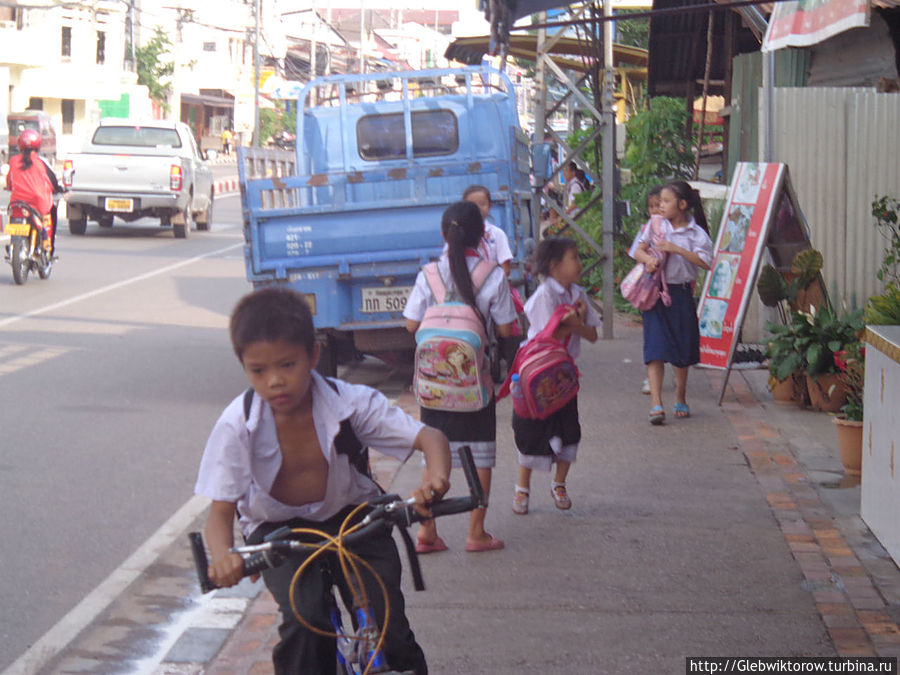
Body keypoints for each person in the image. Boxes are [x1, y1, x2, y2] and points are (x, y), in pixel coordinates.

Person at [195, 287, 452, 674]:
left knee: (389, 628)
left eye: (287, 364)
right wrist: (224, 557)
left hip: (355, 518)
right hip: (279, 535)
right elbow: (220, 513)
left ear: (314, 355)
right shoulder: (237, 426)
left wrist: (436, 477)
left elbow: (430, 439)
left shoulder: (351, 403)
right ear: (243, 365)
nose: (275, 381)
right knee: (305, 623)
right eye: (259, 371)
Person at [404, 200, 517, 553]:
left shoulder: (429, 275)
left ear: (443, 234)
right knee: (480, 456)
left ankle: (426, 532)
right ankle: (476, 533)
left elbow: (411, 325)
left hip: (435, 387)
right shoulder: (493, 275)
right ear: (483, 236)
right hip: (474, 385)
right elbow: (506, 328)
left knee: (433, 457)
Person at [511, 237, 599, 515]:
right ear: (554, 265)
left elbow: (593, 335)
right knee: (531, 431)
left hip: (565, 377)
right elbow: (546, 339)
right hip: (538, 375)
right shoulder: (542, 297)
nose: (579, 264)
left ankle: (559, 483)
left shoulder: (578, 295)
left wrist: (577, 323)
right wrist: (573, 322)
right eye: (573, 258)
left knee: (569, 430)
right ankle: (522, 488)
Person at [632, 180, 713, 425]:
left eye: (666, 201)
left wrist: (676, 249)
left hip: (680, 294)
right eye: (660, 202)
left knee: (681, 349)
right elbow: (638, 250)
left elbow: (706, 262)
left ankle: (680, 395)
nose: (661, 206)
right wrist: (647, 259)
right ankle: (656, 403)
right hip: (655, 293)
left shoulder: (696, 233)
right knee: (655, 347)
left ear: (682, 204)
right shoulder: (656, 225)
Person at [628, 185, 664, 395]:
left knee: (671, 335)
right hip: (649, 289)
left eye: (659, 205)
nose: (655, 211)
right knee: (652, 334)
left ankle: (675, 373)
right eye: (651, 207)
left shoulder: (673, 228)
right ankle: (651, 378)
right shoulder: (646, 229)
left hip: (670, 290)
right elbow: (635, 253)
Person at [5, 128, 63, 256]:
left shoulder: (13, 161)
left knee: (13, 218)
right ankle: (48, 248)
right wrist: (59, 188)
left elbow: (9, 182)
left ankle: (14, 245)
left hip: (17, 204)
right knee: (51, 211)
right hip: (38, 204)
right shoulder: (42, 162)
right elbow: (53, 181)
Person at [460, 185, 513, 277]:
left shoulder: (497, 234)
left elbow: (506, 269)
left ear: (489, 206)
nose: (478, 208)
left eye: (482, 204)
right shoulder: (458, 233)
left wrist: (489, 284)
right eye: (473, 205)